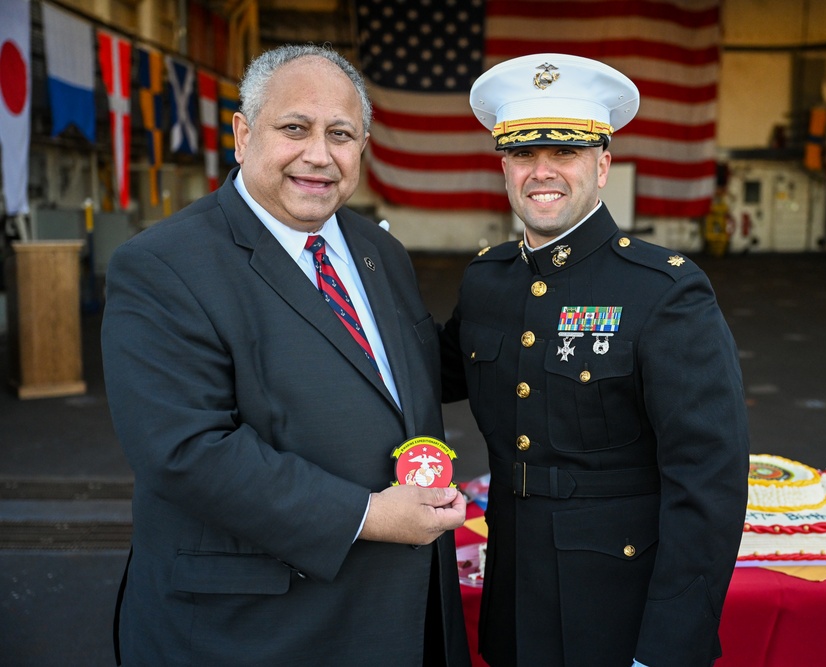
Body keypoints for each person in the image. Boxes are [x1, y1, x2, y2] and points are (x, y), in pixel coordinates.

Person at [102, 44, 470, 666]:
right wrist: (368, 515)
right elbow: (186, 451)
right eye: (294, 128)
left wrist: (529, 287)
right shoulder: (162, 265)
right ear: (243, 135)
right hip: (255, 630)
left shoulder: (380, 252)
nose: (319, 155)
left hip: (397, 616)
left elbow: (409, 373)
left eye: (341, 134)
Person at [441, 53, 750, 667]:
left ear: (602, 165)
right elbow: (412, 371)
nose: (541, 171)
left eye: (566, 153)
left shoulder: (663, 290)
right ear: (504, 167)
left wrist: (666, 651)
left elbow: (708, 483)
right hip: (512, 596)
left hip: (617, 614)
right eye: (523, 154)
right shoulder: (488, 281)